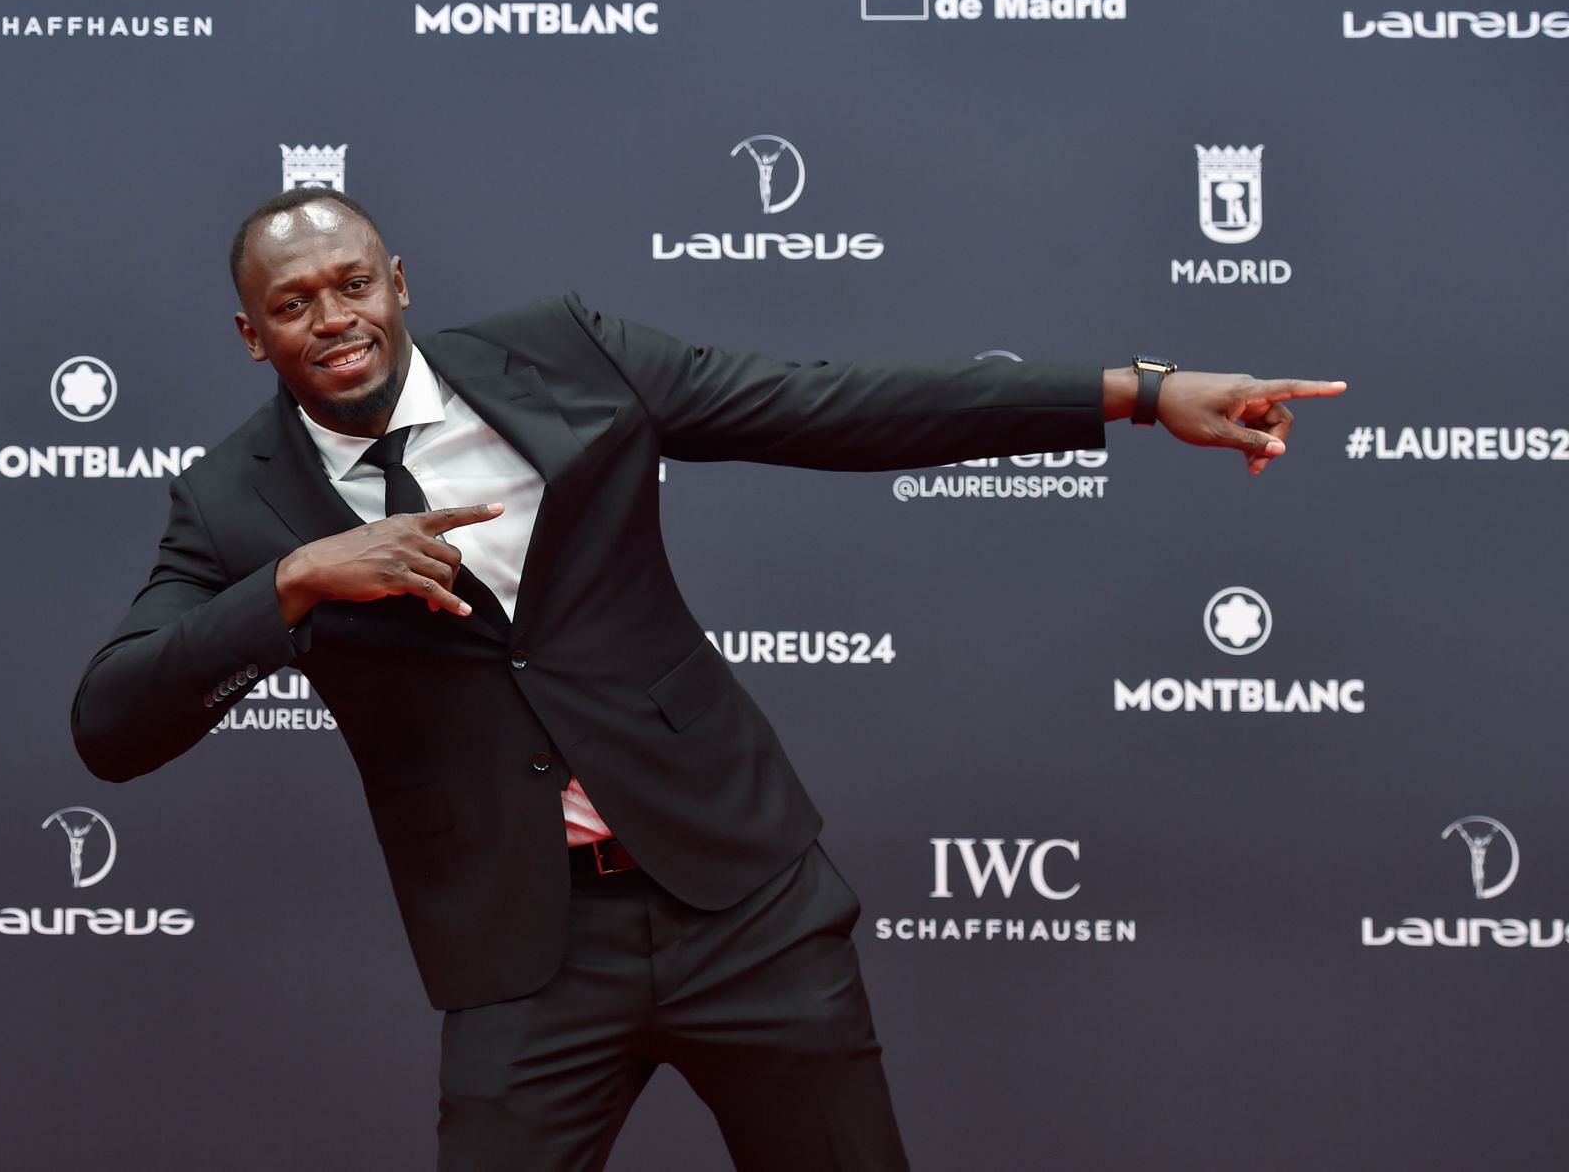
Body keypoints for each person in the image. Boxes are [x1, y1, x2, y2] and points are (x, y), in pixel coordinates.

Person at [70, 188, 1345, 1171]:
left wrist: (1138, 393)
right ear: (251, 334)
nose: (334, 317)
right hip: (524, 947)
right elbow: (112, 726)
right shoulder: (236, 502)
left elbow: (832, 406)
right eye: (295, 303)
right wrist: (294, 580)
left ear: (399, 281)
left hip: (741, 901)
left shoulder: (563, 354)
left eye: (353, 281)